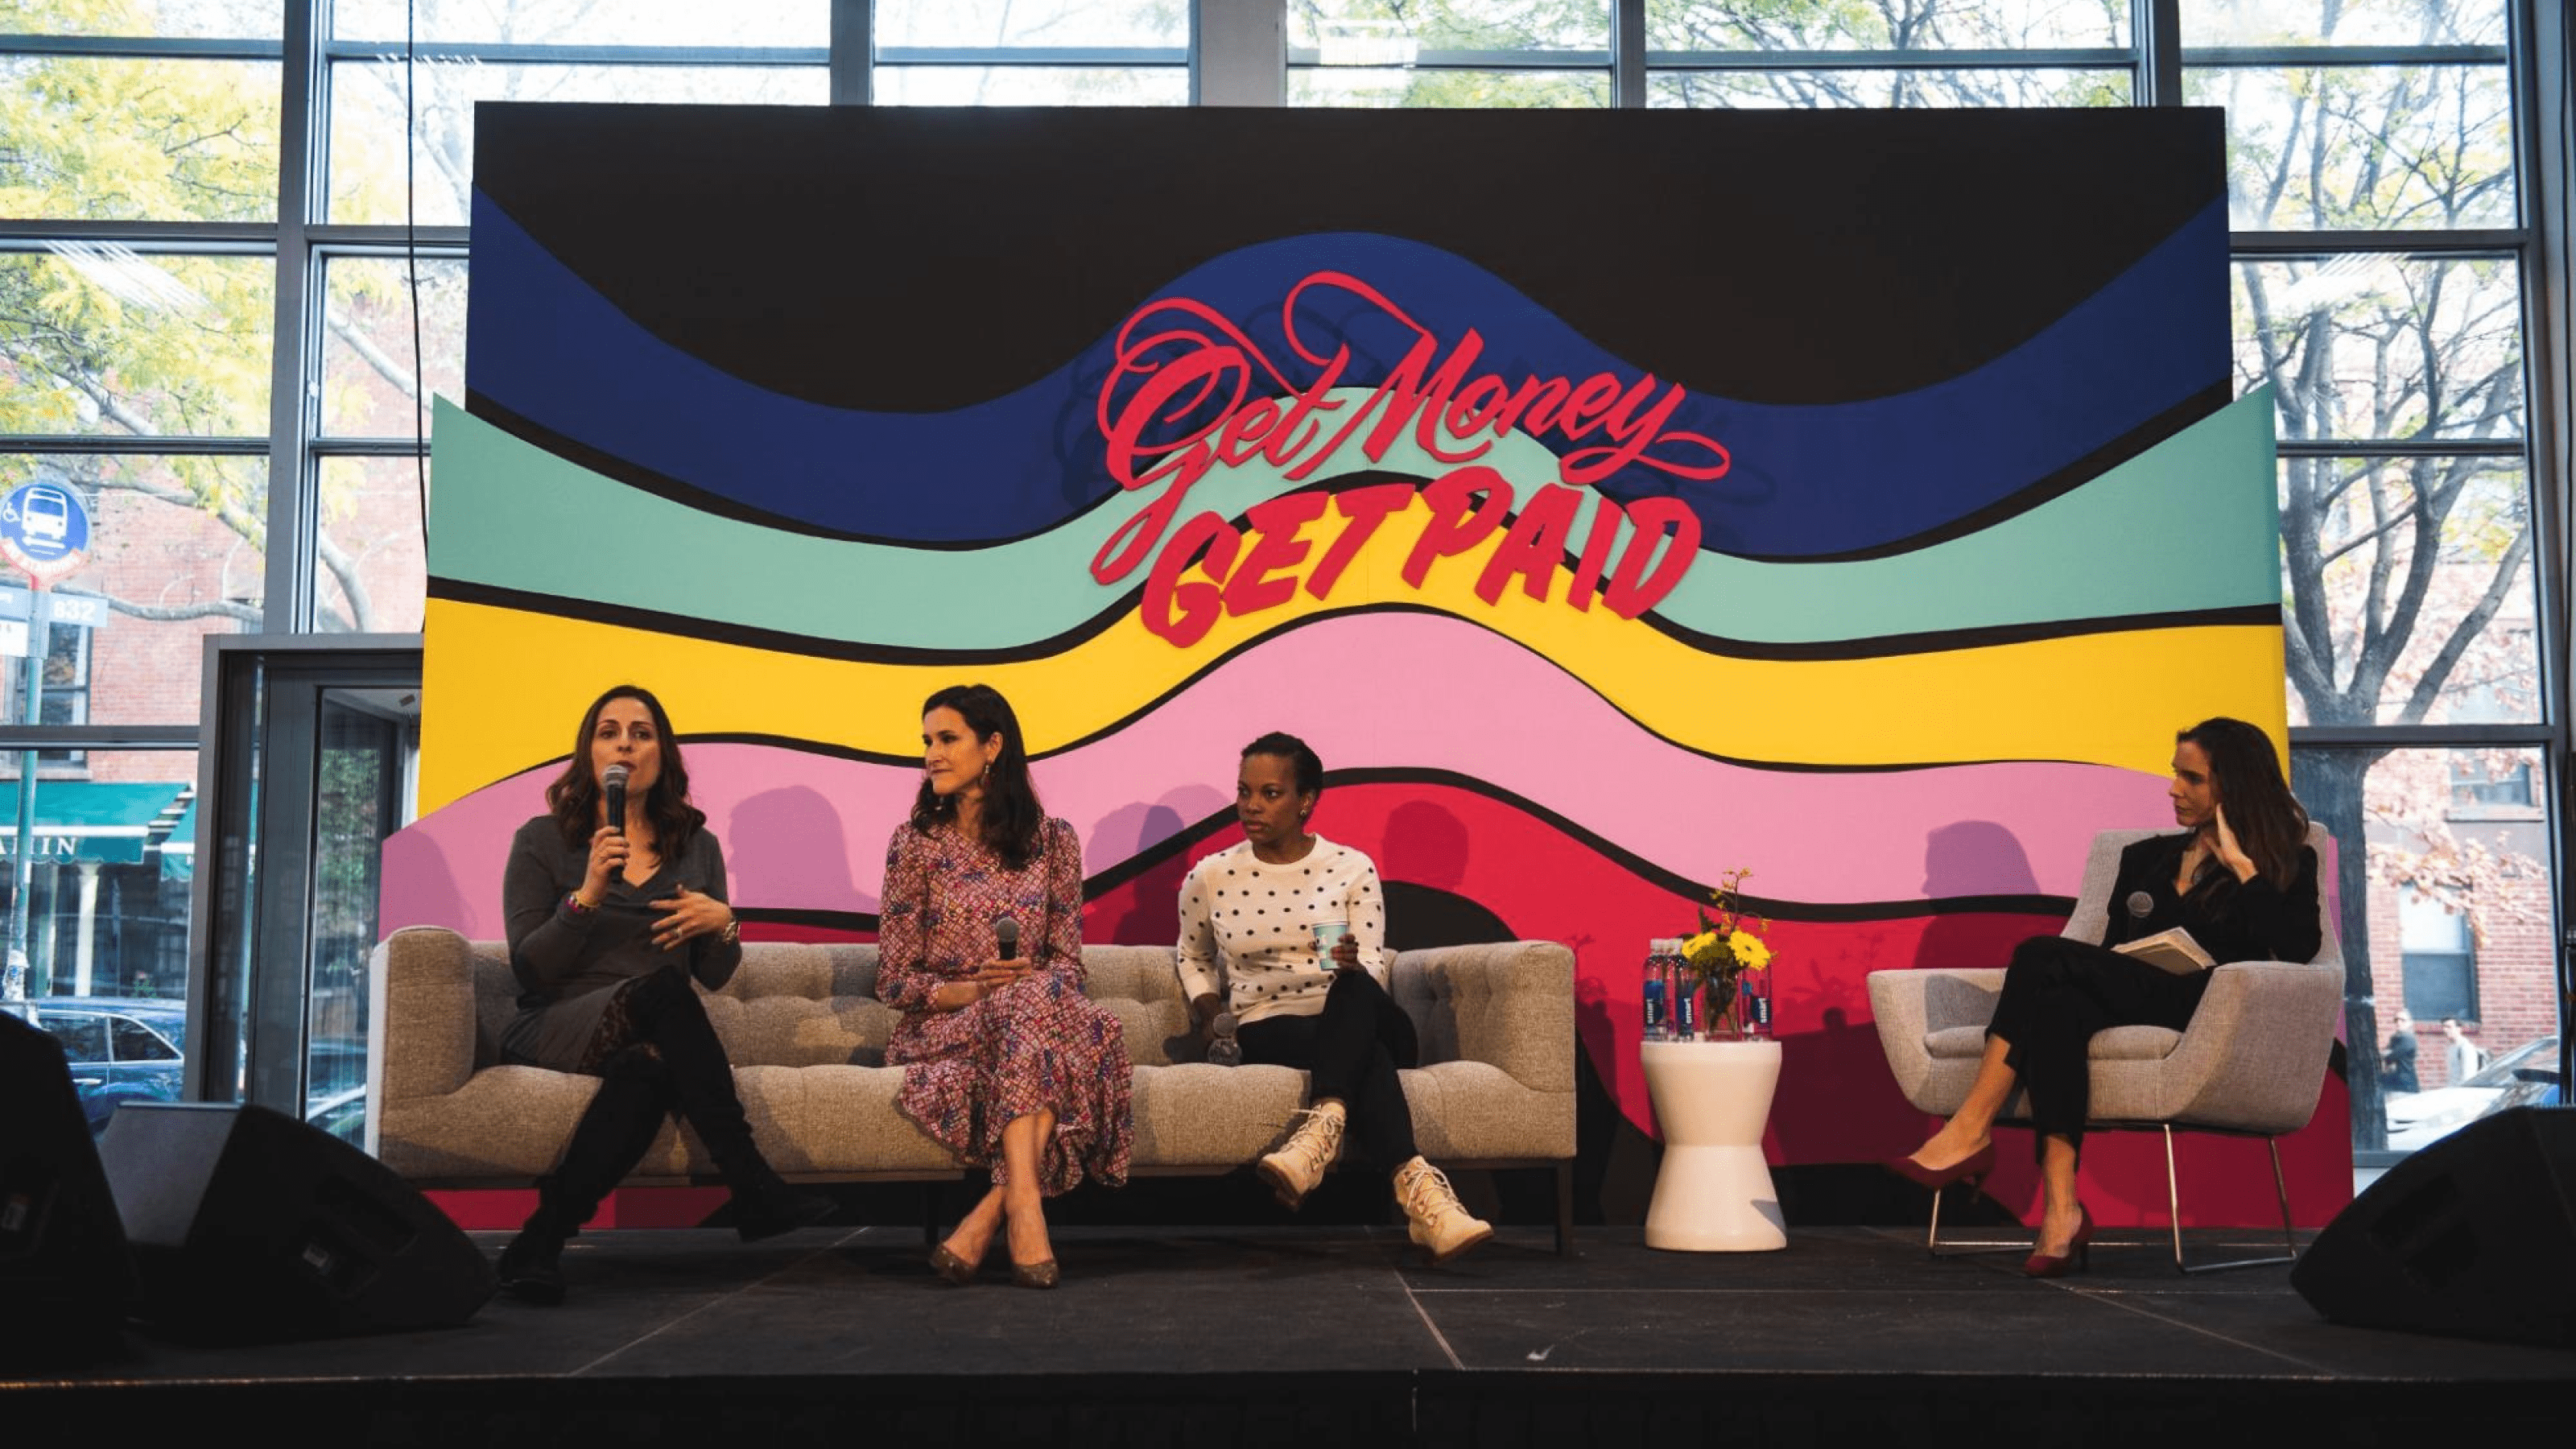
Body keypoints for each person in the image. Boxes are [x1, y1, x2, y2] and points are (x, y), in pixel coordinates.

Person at [1885, 717, 2321, 1278]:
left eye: (2192, 779)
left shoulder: (2285, 858)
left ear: (2234, 786)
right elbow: (2115, 948)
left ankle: (1970, 1129)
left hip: (2206, 1008)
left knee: (2043, 955)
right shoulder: (2143, 858)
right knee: (2058, 1006)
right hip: (2135, 990)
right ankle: (2062, 1212)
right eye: (2174, 775)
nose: (2173, 790)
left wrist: (2241, 866)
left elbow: (2298, 950)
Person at [494, 684, 829, 1304]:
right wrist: (588, 892)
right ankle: (749, 1177)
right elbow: (530, 970)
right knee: (663, 992)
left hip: (653, 1026)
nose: (625, 741)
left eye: (642, 732)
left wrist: (723, 923)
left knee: (645, 1071)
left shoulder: (695, 848)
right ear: (589, 752)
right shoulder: (542, 840)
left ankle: (538, 1244)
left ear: (662, 753)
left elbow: (718, 974)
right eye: (609, 730)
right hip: (557, 1022)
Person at [1176, 732, 1494, 1265]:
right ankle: (1425, 1199)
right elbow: (1192, 956)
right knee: (1364, 1060)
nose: (1251, 806)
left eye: (1270, 793)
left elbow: (1371, 966)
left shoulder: (1351, 868)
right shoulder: (1211, 876)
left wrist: (1351, 966)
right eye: (1244, 791)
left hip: (1361, 1013)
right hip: (1269, 1024)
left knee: (1351, 987)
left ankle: (1315, 1140)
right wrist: (1211, 1011)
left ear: (1306, 801)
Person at [878, 683, 1132, 1289]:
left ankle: (1001, 1205)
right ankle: (1022, 1205)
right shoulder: (914, 844)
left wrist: (1024, 983)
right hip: (942, 1030)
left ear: (992, 746)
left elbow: (1069, 967)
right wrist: (972, 993)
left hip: (1028, 1026)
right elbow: (893, 980)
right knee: (1093, 1029)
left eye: (947, 739)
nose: (931, 755)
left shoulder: (1055, 842)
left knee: (1053, 1005)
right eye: (927, 742)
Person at [2383, 1009, 2421, 1094]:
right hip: (2394, 1084)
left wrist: (2387, 1055)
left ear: (2410, 1023)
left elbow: (2391, 1056)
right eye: (2396, 1020)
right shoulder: (2395, 1038)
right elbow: (2385, 1056)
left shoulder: (2408, 1038)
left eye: (2402, 1020)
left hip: (2406, 1086)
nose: (2398, 1023)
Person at [2441, 1018, 2486, 1084]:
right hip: (2452, 1091)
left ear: (2459, 1029)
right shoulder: (2452, 1048)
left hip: (2462, 1091)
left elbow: (2469, 1076)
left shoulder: (2466, 1048)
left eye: (2449, 1027)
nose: (2445, 1030)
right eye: (2444, 1027)